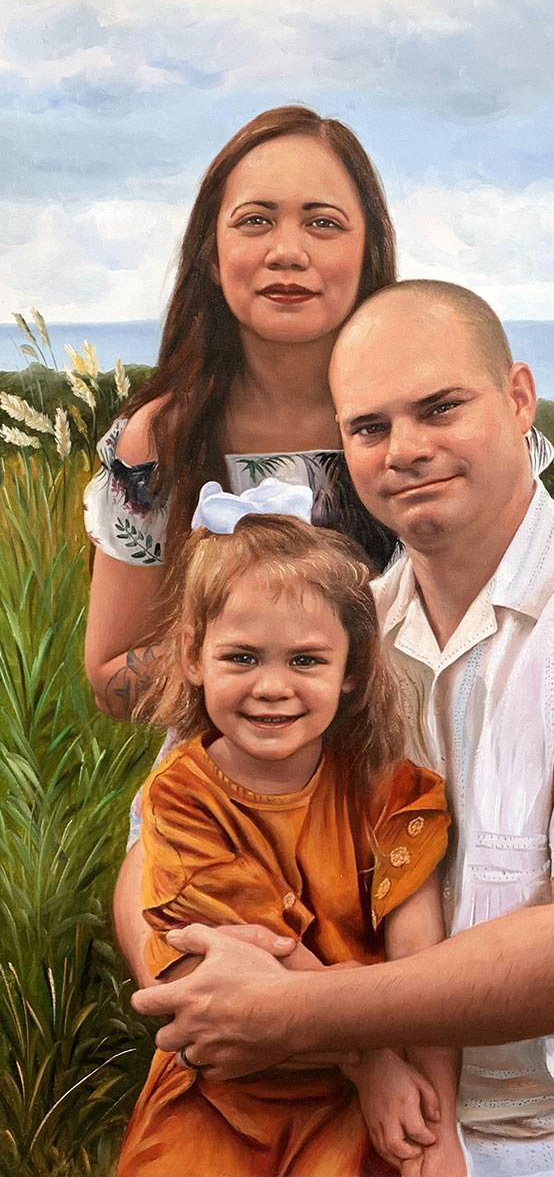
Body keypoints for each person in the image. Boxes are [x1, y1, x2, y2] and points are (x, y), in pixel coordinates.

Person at [132, 281, 554, 1177]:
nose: (407, 451)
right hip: (364, 1114)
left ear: (517, 398)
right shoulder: (328, 637)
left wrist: (294, 1012)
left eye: (440, 408)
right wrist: (202, 972)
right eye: (370, 427)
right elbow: (152, 843)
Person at [84, 105, 554, 989]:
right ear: (209, 250)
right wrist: (256, 670)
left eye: (323, 222)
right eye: (254, 220)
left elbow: (527, 547)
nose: (287, 250)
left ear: (370, 248)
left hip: (401, 769)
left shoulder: (422, 413)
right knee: (218, 1024)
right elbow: (109, 671)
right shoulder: (165, 440)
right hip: (227, 785)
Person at [116, 482, 465, 1177]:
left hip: (358, 1095)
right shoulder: (182, 797)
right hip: (227, 1085)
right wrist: (372, 1065)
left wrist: (439, 1123)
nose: (272, 686)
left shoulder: (387, 790)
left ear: (353, 670)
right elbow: (251, 967)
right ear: (193, 656)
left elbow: (422, 965)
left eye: (305, 660)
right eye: (242, 658)